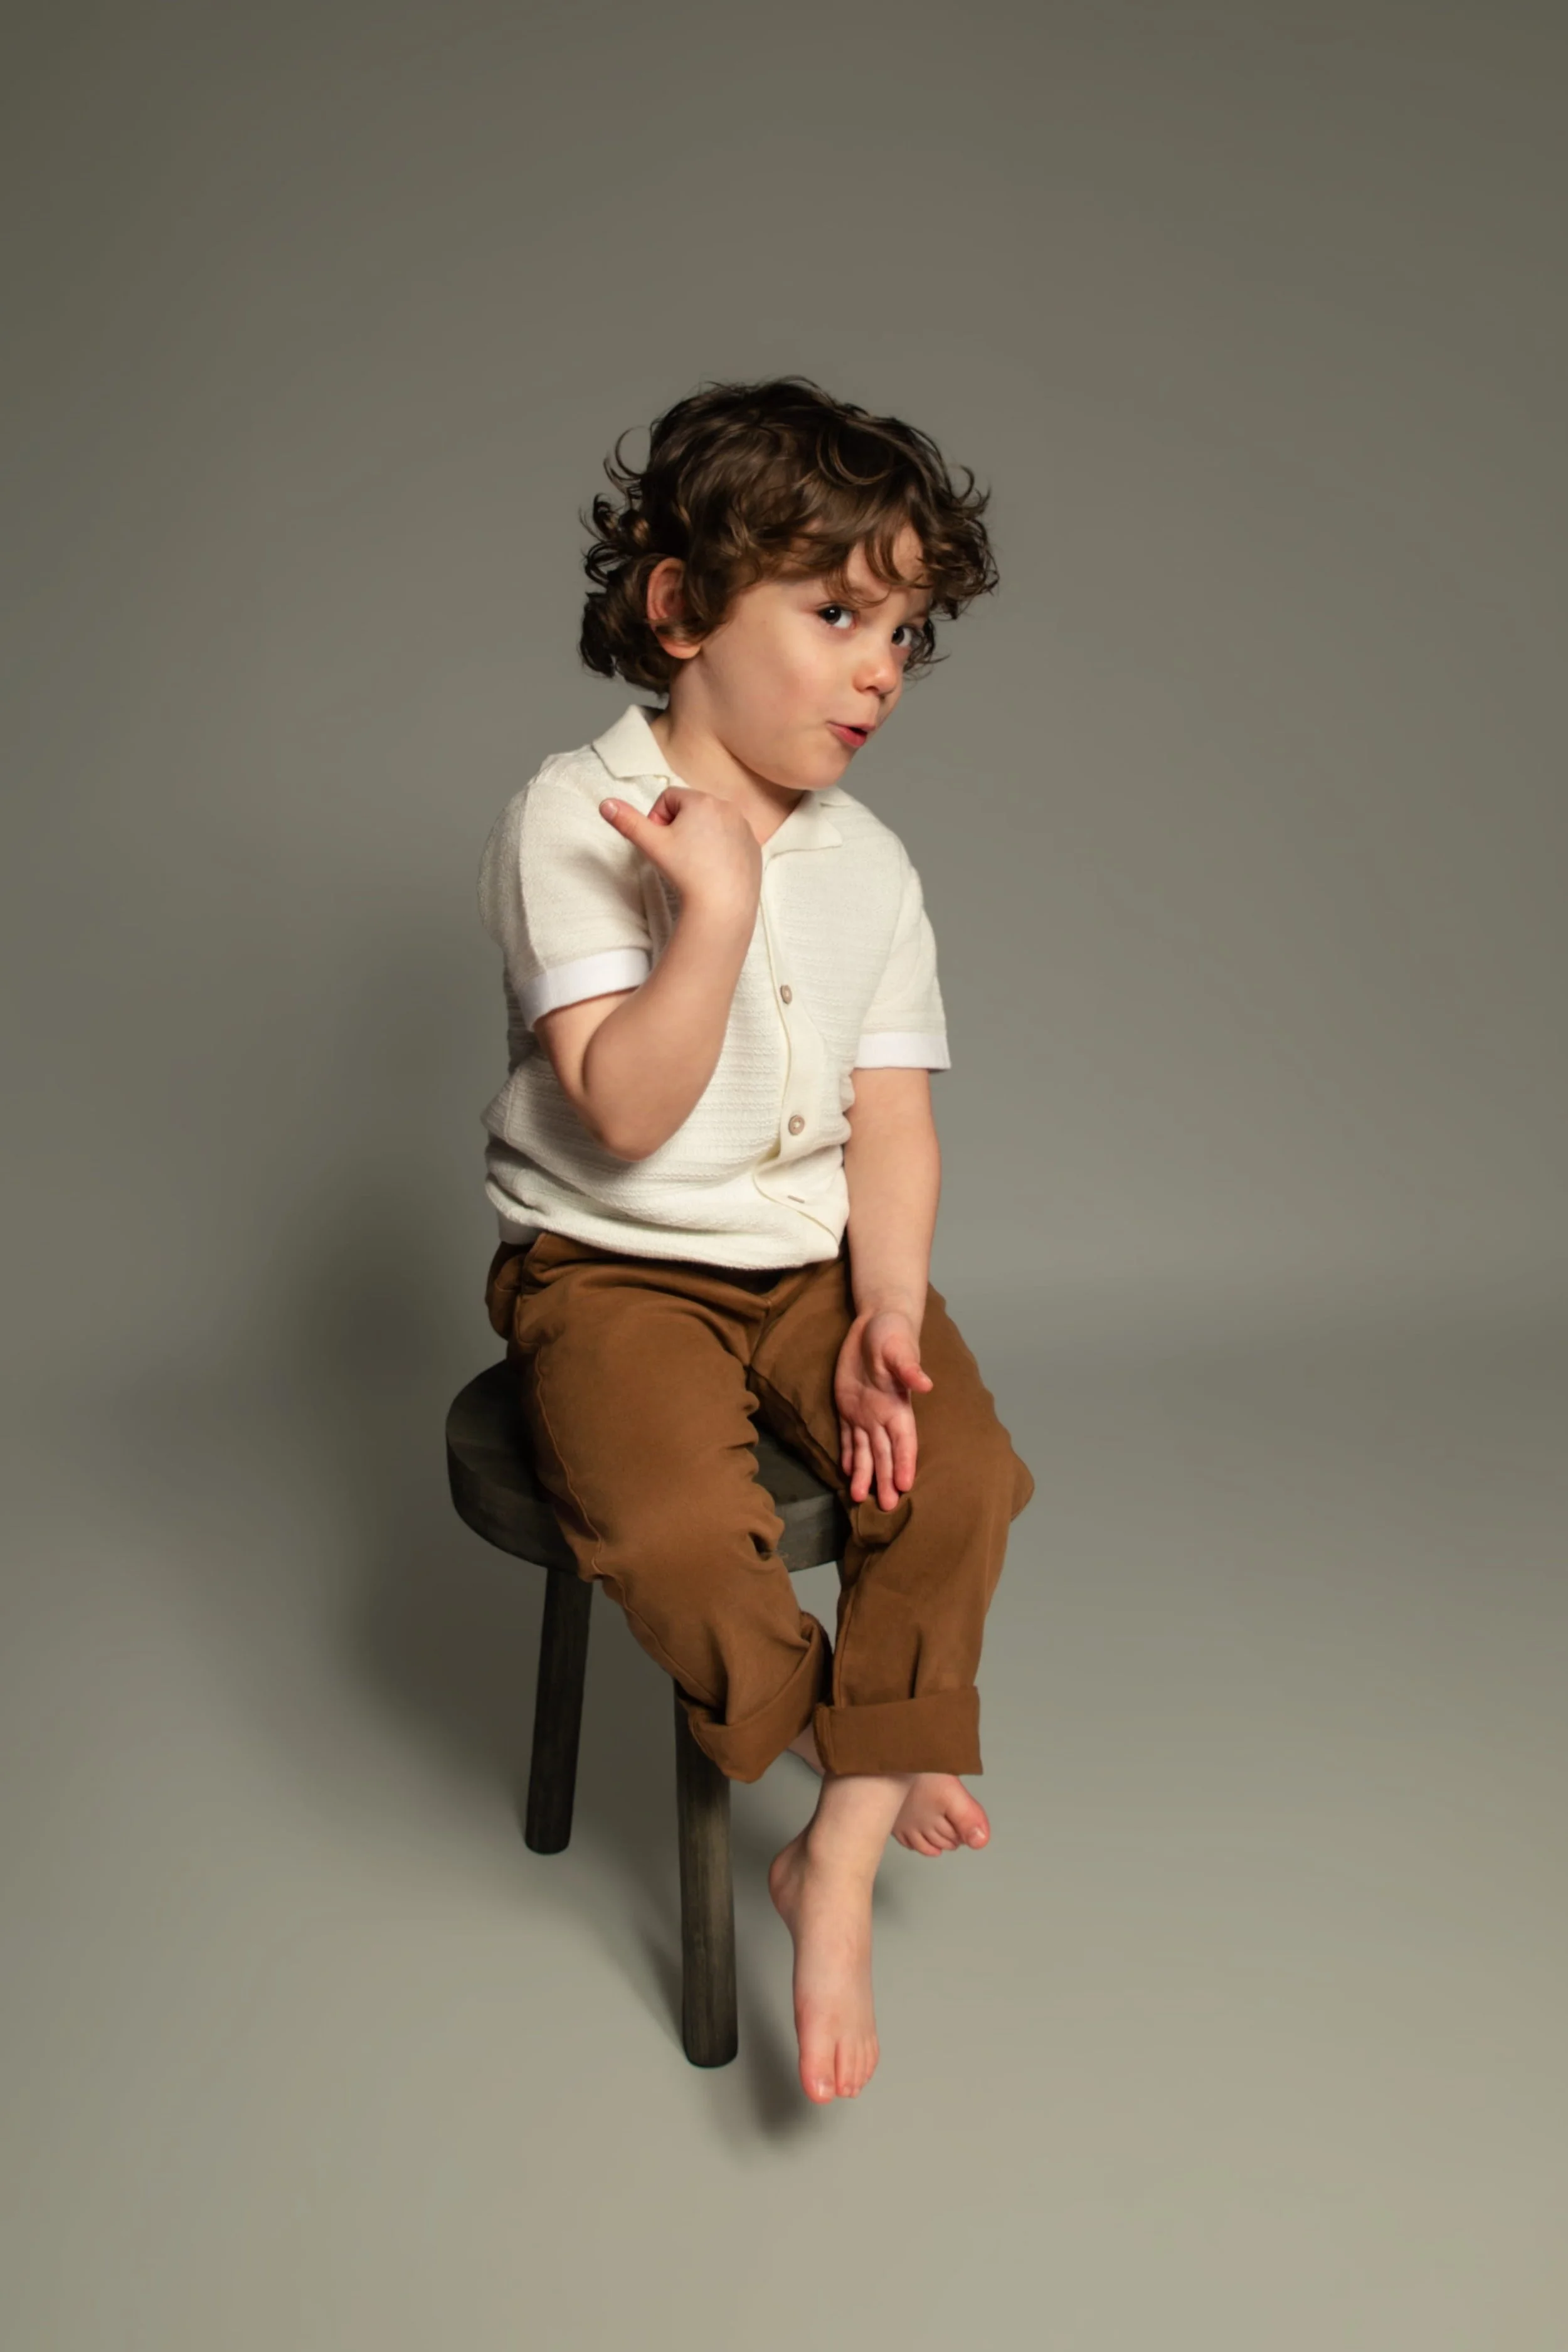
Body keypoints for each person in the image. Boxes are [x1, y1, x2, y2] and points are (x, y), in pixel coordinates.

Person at [475, 375, 1036, 2105]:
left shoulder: (873, 863)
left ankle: (834, 1846)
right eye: (838, 614)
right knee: (671, 1530)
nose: (883, 669)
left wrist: (886, 1309)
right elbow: (625, 1115)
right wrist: (709, 910)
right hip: (611, 1266)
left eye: (906, 634)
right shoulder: (572, 814)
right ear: (680, 609)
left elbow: (892, 1123)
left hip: (808, 1262)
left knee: (960, 1473)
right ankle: (859, 1741)